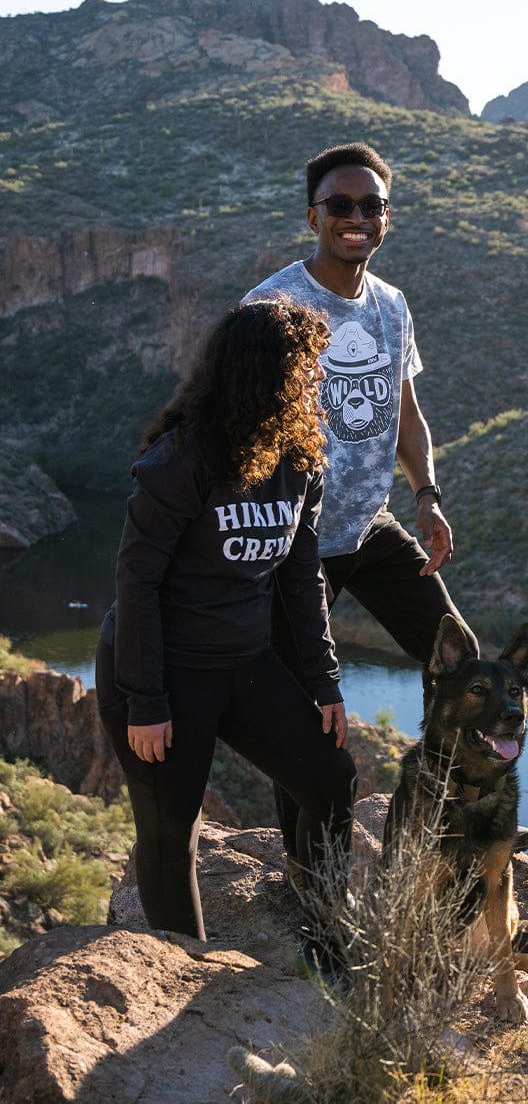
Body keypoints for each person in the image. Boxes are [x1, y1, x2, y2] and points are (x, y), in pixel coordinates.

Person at [243, 142, 485, 868]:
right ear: (312, 215)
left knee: (464, 666)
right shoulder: (273, 306)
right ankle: (312, 882)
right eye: (340, 206)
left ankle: (450, 822)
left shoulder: (391, 304)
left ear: (387, 218)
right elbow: (235, 428)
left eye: (370, 206)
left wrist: (428, 495)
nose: (356, 218)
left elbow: (405, 410)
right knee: (311, 724)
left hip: (368, 527)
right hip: (294, 545)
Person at [95, 299, 357, 954]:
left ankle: (329, 942)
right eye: (306, 368)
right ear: (263, 374)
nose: (317, 379)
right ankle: (186, 972)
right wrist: (146, 700)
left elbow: (301, 581)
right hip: (163, 668)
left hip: (244, 663)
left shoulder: (298, 461)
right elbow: (138, 584)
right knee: (170, 831)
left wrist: (325, 683)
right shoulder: (180, 463)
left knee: (330, 779)